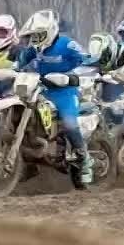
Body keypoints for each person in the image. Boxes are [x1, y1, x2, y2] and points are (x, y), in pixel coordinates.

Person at [17, 10, 91, 172]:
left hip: (65, 91)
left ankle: (84, 157)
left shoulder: (67, 44)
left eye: (39, 35)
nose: (35, 40)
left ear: (50, 31)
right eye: (33, 36)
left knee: (69, 123)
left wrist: (71, 77)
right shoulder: (34, 49)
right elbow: (18, 64)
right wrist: (8, 71)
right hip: (40, 89)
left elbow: (87, 61)